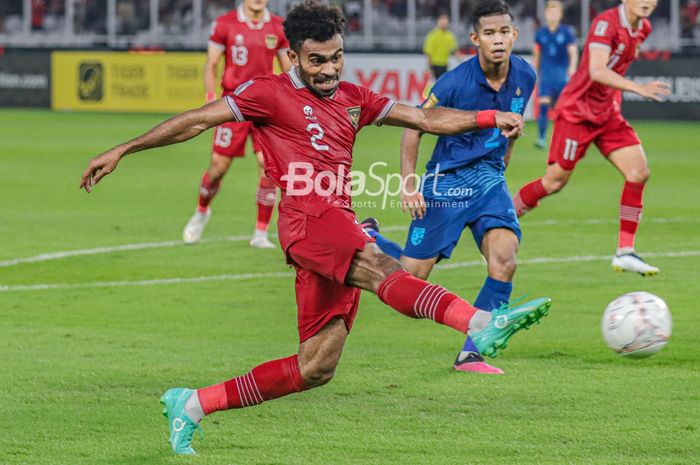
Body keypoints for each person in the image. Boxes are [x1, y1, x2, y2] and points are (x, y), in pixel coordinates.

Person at [79, 1, 552, 455]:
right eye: (318, 60)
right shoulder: (268, 93)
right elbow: (197, 121)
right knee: (380, 264)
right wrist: (124, 148)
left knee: (316, 367)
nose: (330, 69)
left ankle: (194, 403)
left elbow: (425, 117)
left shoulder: (353, 98)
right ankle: (480, 323)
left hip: (337, 222)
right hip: (307, 221)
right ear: (294, 57)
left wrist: (491, 117)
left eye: (338, 57)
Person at [366, 0, 536, 375]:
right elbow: (414, 126)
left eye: (504, 32)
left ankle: (472, 353)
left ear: (514, 35)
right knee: (411, 278)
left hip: (489, 181)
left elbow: (512, 128)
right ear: (475, 39)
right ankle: (369, 237)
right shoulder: (454, 82)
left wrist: (503, 168)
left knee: (505, 258)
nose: (498, 40)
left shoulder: (526, 75)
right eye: (489, 33)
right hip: (447, 184)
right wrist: (409, 184)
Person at [512, 0, 670, 276]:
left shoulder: (643, 28)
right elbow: (597, 70)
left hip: (608, 115)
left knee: (638, 172)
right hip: (577, 112)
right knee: (553, 182)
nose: (648, 1)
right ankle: (505, 215)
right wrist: (637, 88)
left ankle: (625, 252)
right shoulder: (606, 23)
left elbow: (617, 64)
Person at [183, 0, 291, 248]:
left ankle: (261, 233)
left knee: (268, 167)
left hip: (266, 107)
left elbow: (288, 70)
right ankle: (202, 210)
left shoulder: (278, 26)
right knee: (218, 167)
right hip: (233, 104)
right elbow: (211, 64)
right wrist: (211, 99)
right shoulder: (225, 23)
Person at [533, 0, 578, 148]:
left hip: (562, 78)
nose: (553, 15)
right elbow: (537, 55)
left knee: (564, 110)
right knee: (544, 106)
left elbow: (573, 51)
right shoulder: (540, 33)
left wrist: (572, 67)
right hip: (546, 77)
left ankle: (566, 138)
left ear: (560, 15)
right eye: (550, 12)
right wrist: (535, 71)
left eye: (556, 12)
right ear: (546, 14)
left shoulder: (566, 32)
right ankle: (541, 139)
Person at [423, 13, 458, 80]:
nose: (444, 24)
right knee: (436, 84)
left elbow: (455, 50)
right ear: (438, 22)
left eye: (445, 22)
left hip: (444, 64)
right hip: (434, 64)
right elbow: (428, 53)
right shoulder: (432, 35)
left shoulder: (449, 36)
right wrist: (430, 67)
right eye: (442, 22)